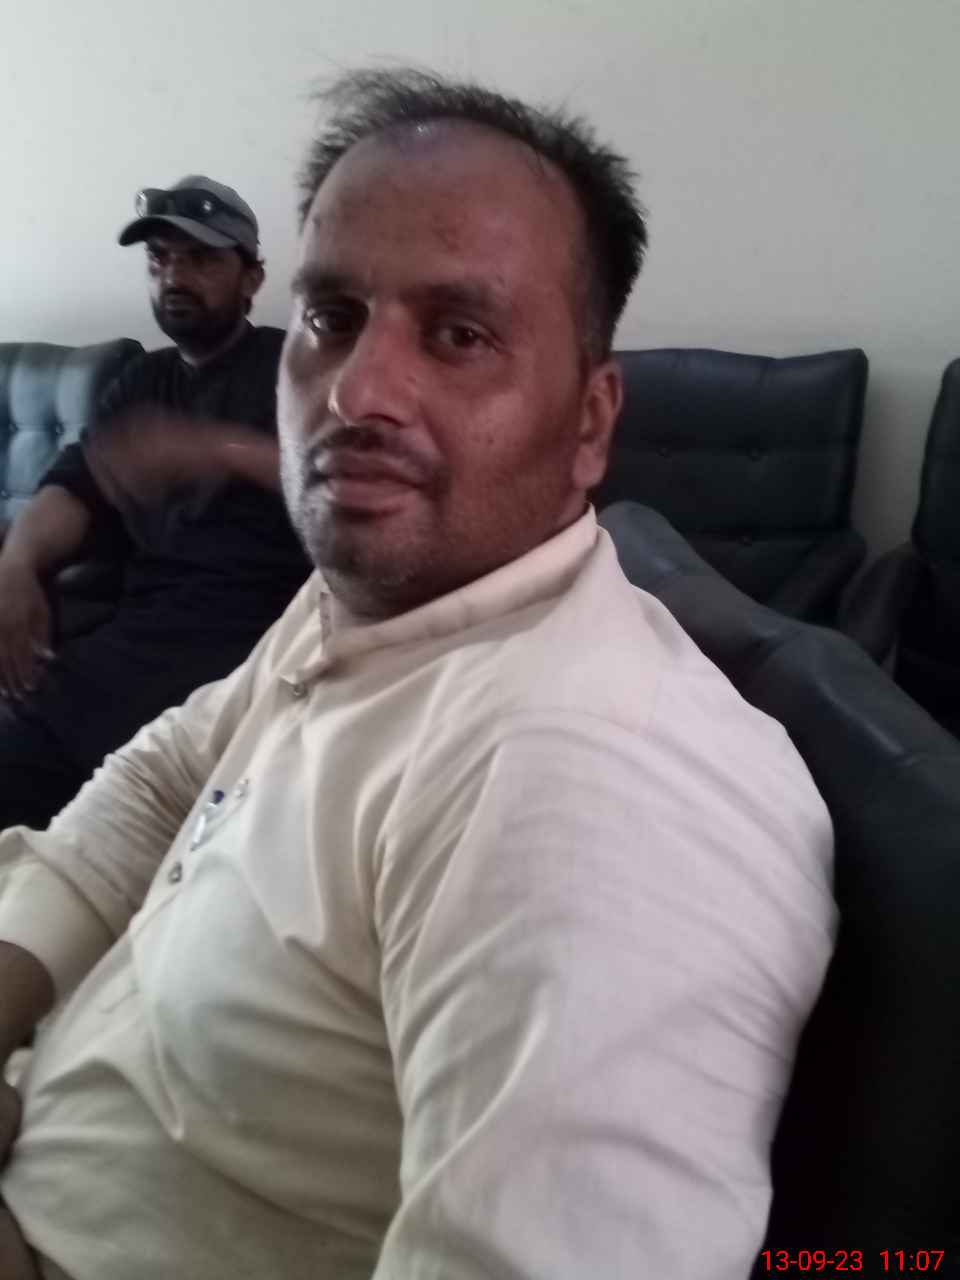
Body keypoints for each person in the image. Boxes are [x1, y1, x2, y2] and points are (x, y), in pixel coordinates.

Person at [0, 72, 835, 1279]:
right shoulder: (374, 596)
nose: (355, 391)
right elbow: (162, 779)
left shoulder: (590, 792)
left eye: (459, 333)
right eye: (333, 317)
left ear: (591, 421)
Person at [0, 175, 309, 830]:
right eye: (159, 259)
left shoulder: (296, 368)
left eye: (200, 259)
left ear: (252, 278)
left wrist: (217, 449)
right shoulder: (143, 380)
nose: (174, 276)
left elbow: (342, 485)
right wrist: (16, 564)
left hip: (250, 641)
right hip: (137, 631)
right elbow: (74, 485)